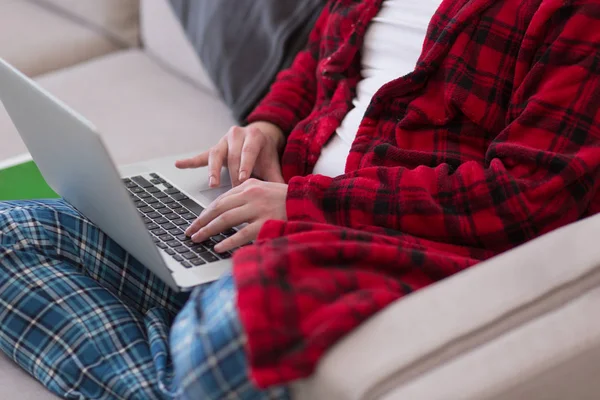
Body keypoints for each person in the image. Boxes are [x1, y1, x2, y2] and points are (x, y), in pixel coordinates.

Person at [2, 0, 600, 398]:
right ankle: (170, 346)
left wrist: (305, 205)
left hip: (370, 238)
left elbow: (533, 195)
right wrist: (267, 127)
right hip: (265, 201)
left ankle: (177, 339)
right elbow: (314, 60)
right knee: (12, 234)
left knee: (232, 335)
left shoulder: (574, 14)